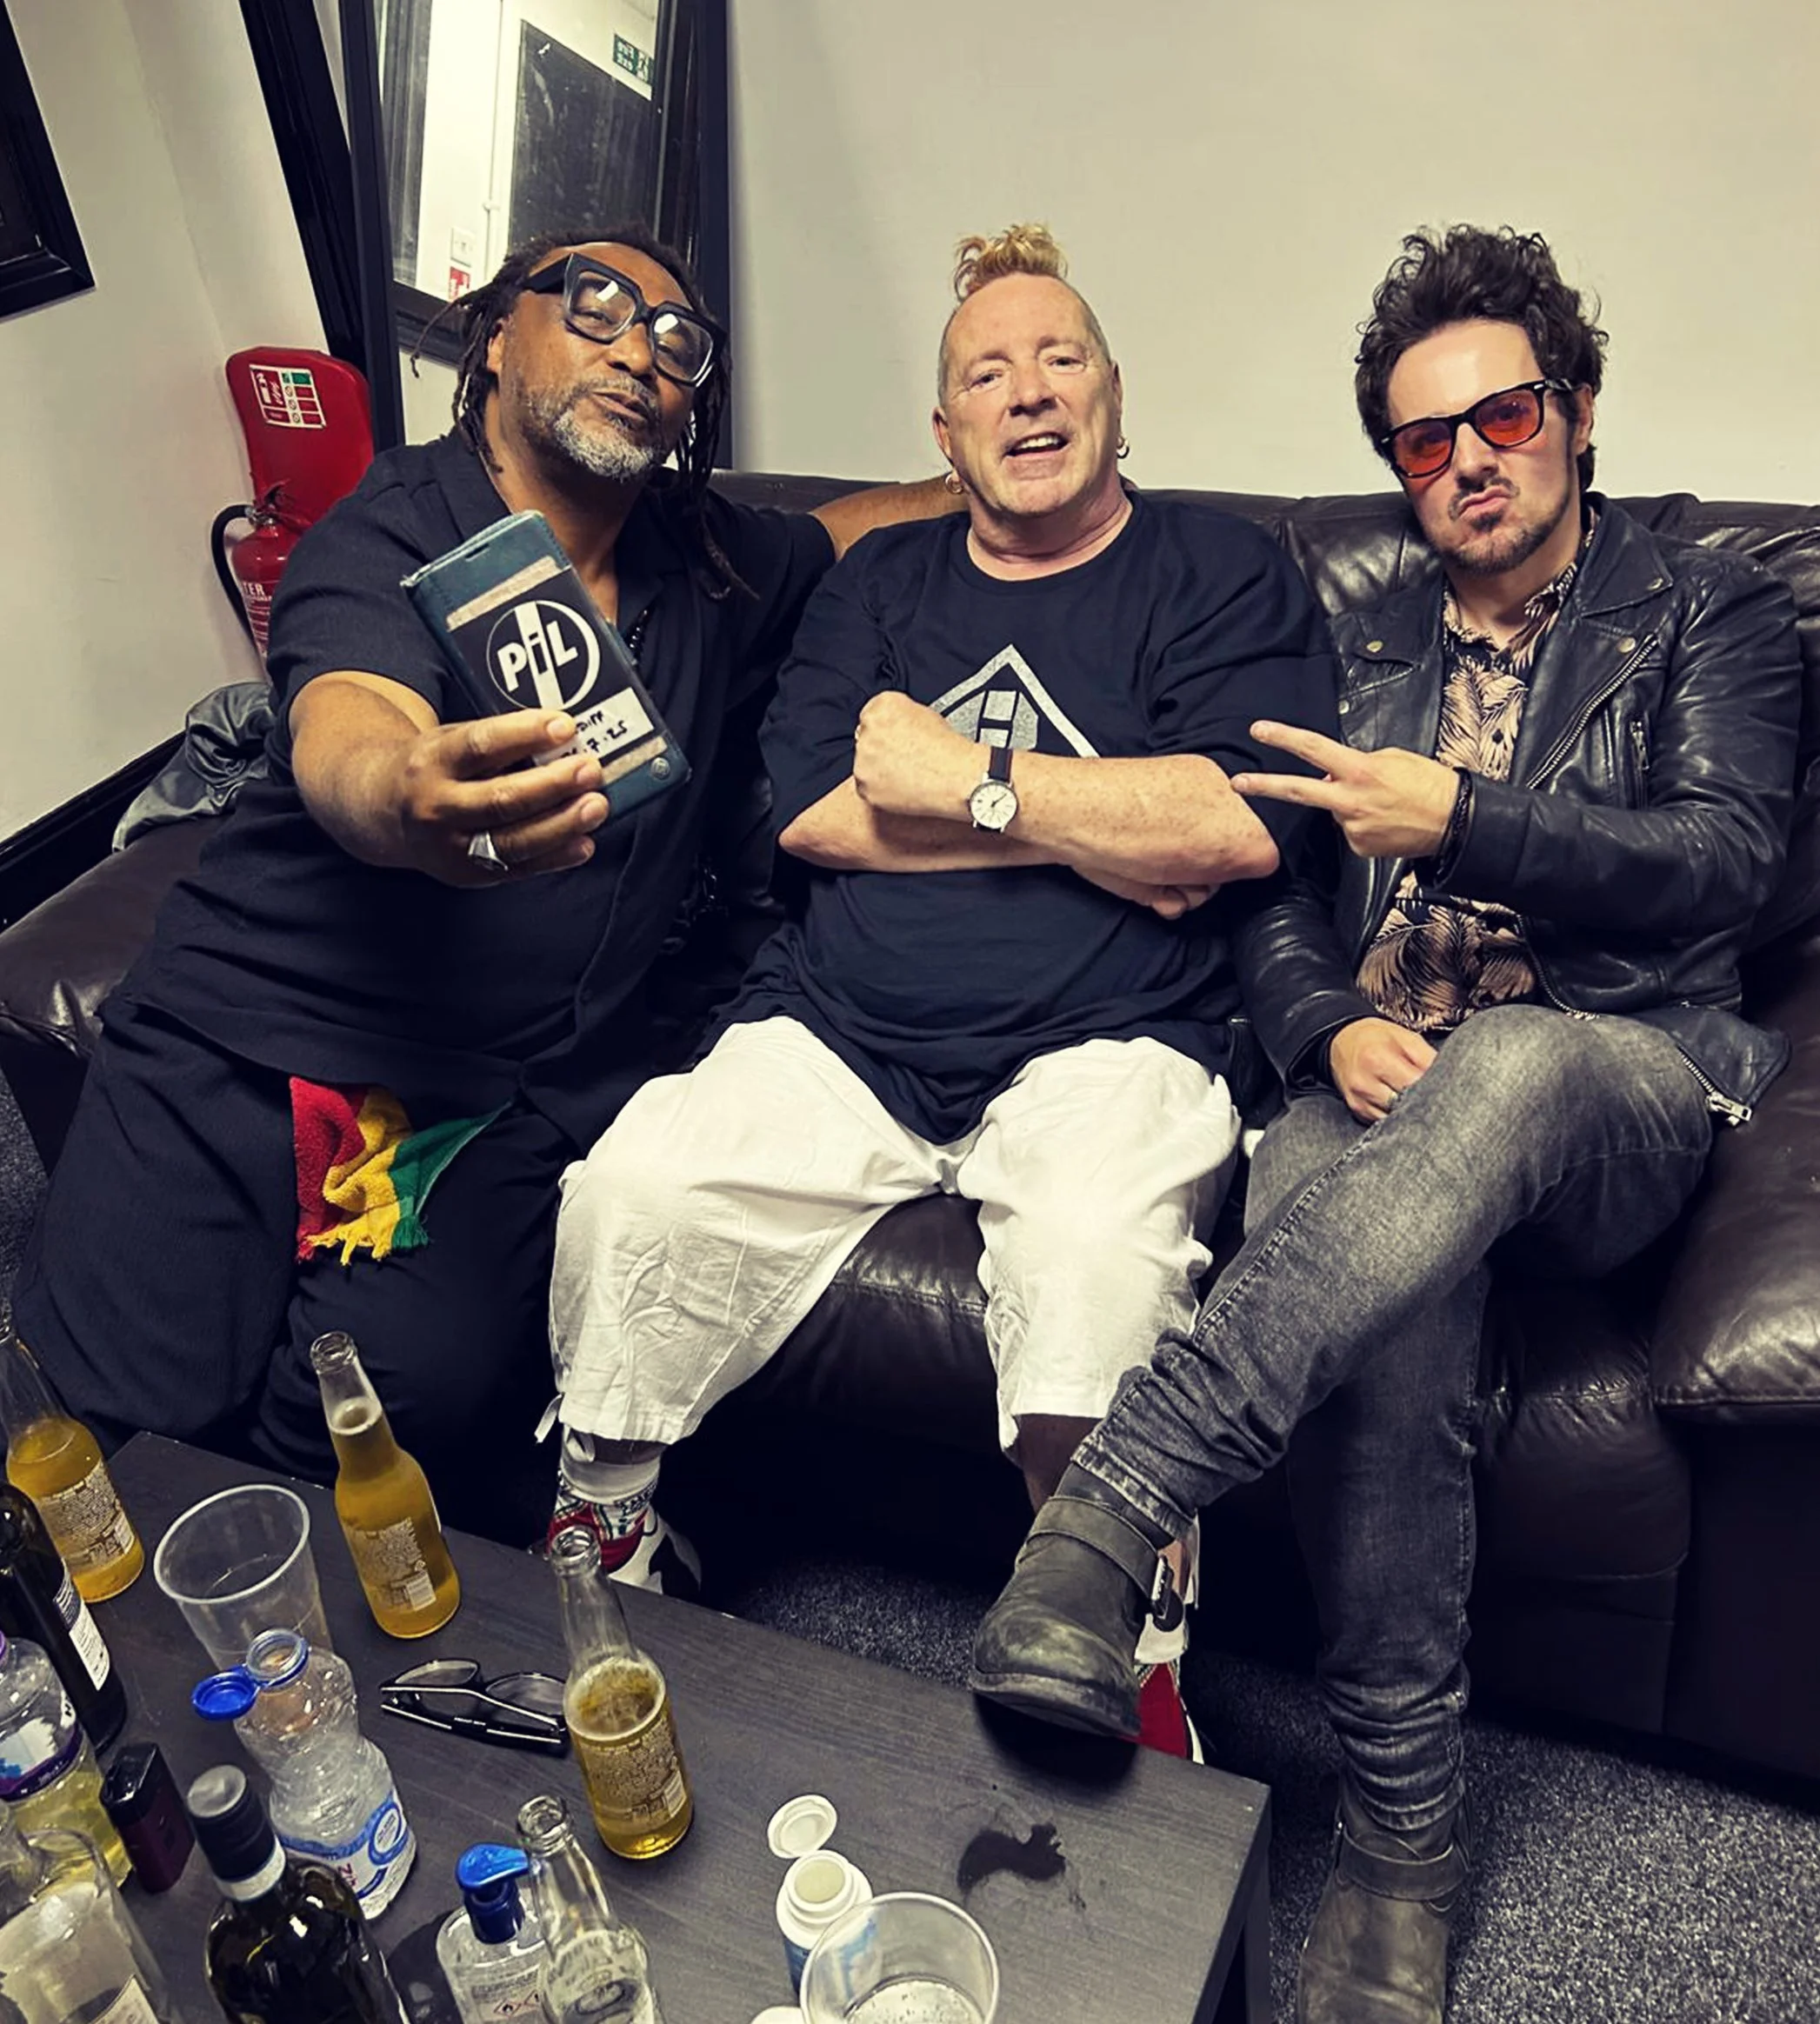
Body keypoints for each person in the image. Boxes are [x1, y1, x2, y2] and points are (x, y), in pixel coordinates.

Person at [967, 224, 1801, 2018]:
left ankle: (1116, 1494)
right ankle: (1399, 1830)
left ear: (1570, 412)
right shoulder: (1347, 641)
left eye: (1498, 416)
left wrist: (1466, 817)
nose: (1466, 463)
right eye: (1423, 442)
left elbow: (1719, 863)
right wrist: (1321, 1020)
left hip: (1621, 1076)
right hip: (1386, 1088)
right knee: (1394, 1260)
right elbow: (1270, 889)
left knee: (1502, 1072)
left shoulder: (1708, 605)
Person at [10, 224, 950, 1542]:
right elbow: (346, 712)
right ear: (498, 334)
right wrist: (410, 796)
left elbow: (838, 533)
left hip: (483, 1101)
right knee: (107, 1440)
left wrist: (995, 464)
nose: (641, 349)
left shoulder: (709, 560)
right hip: (248, 1044)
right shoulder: (396, 523)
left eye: (680, 343)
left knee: (401, 1423)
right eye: (599, 307)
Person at [546, 223, 1338, 1757]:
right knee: (630, 1188)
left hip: (1117, 1042)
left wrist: (957, 777)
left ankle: (1125, 1635)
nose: (1029, 395)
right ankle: (621, 1532)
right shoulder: (883, 578)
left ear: (1115, 394)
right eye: (988, 372)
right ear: (945, 431)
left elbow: (1235, 827)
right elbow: (815, 812)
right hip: (837, 1029)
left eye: (1061, 361)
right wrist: (1092, 826)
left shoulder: (1221, 567)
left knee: (1100, 1245)